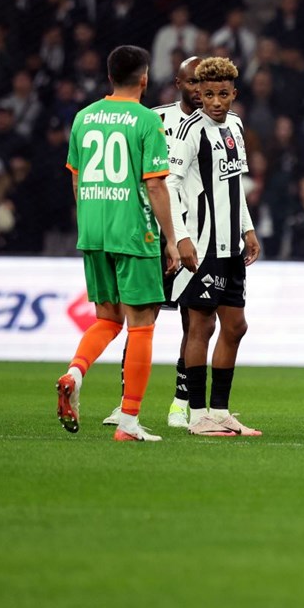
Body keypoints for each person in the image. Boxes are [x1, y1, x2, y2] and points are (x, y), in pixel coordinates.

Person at [55, 45, 181, 442]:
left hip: (94, 230)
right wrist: (171, 240)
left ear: (109, 77)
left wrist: (92, 222)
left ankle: (74, 374)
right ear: (144, 78)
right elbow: (155, 184)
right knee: (141, 325)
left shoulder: (83, 117)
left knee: (107, 319)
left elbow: (76, 178)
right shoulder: (147, 120)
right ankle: (128, 421)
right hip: (133, 232)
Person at [103, 55, 204, 430]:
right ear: (178, 84)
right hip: (156, 233)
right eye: (192, 82)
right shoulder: (154, 119)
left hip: (200, 234)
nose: (199, 89)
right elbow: (142, 176)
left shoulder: (221, 124)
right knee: (142, 318)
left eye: (203, 82)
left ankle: (181, 402)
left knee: (195, 321)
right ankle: (126, 404)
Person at [167, 57, 263, 436]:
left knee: (235, 326)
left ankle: (220, 412)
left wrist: (248, 229)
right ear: (200, 94)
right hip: (202, 245)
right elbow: (170, 184)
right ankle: (196, 415)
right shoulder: (190, 130)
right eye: (208, 94)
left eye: (223, 94)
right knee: (201, 326)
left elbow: (234, 183)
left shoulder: (236, 126)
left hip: (231, 247)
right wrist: (180, 237)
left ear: (233, 94)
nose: (216, 102)